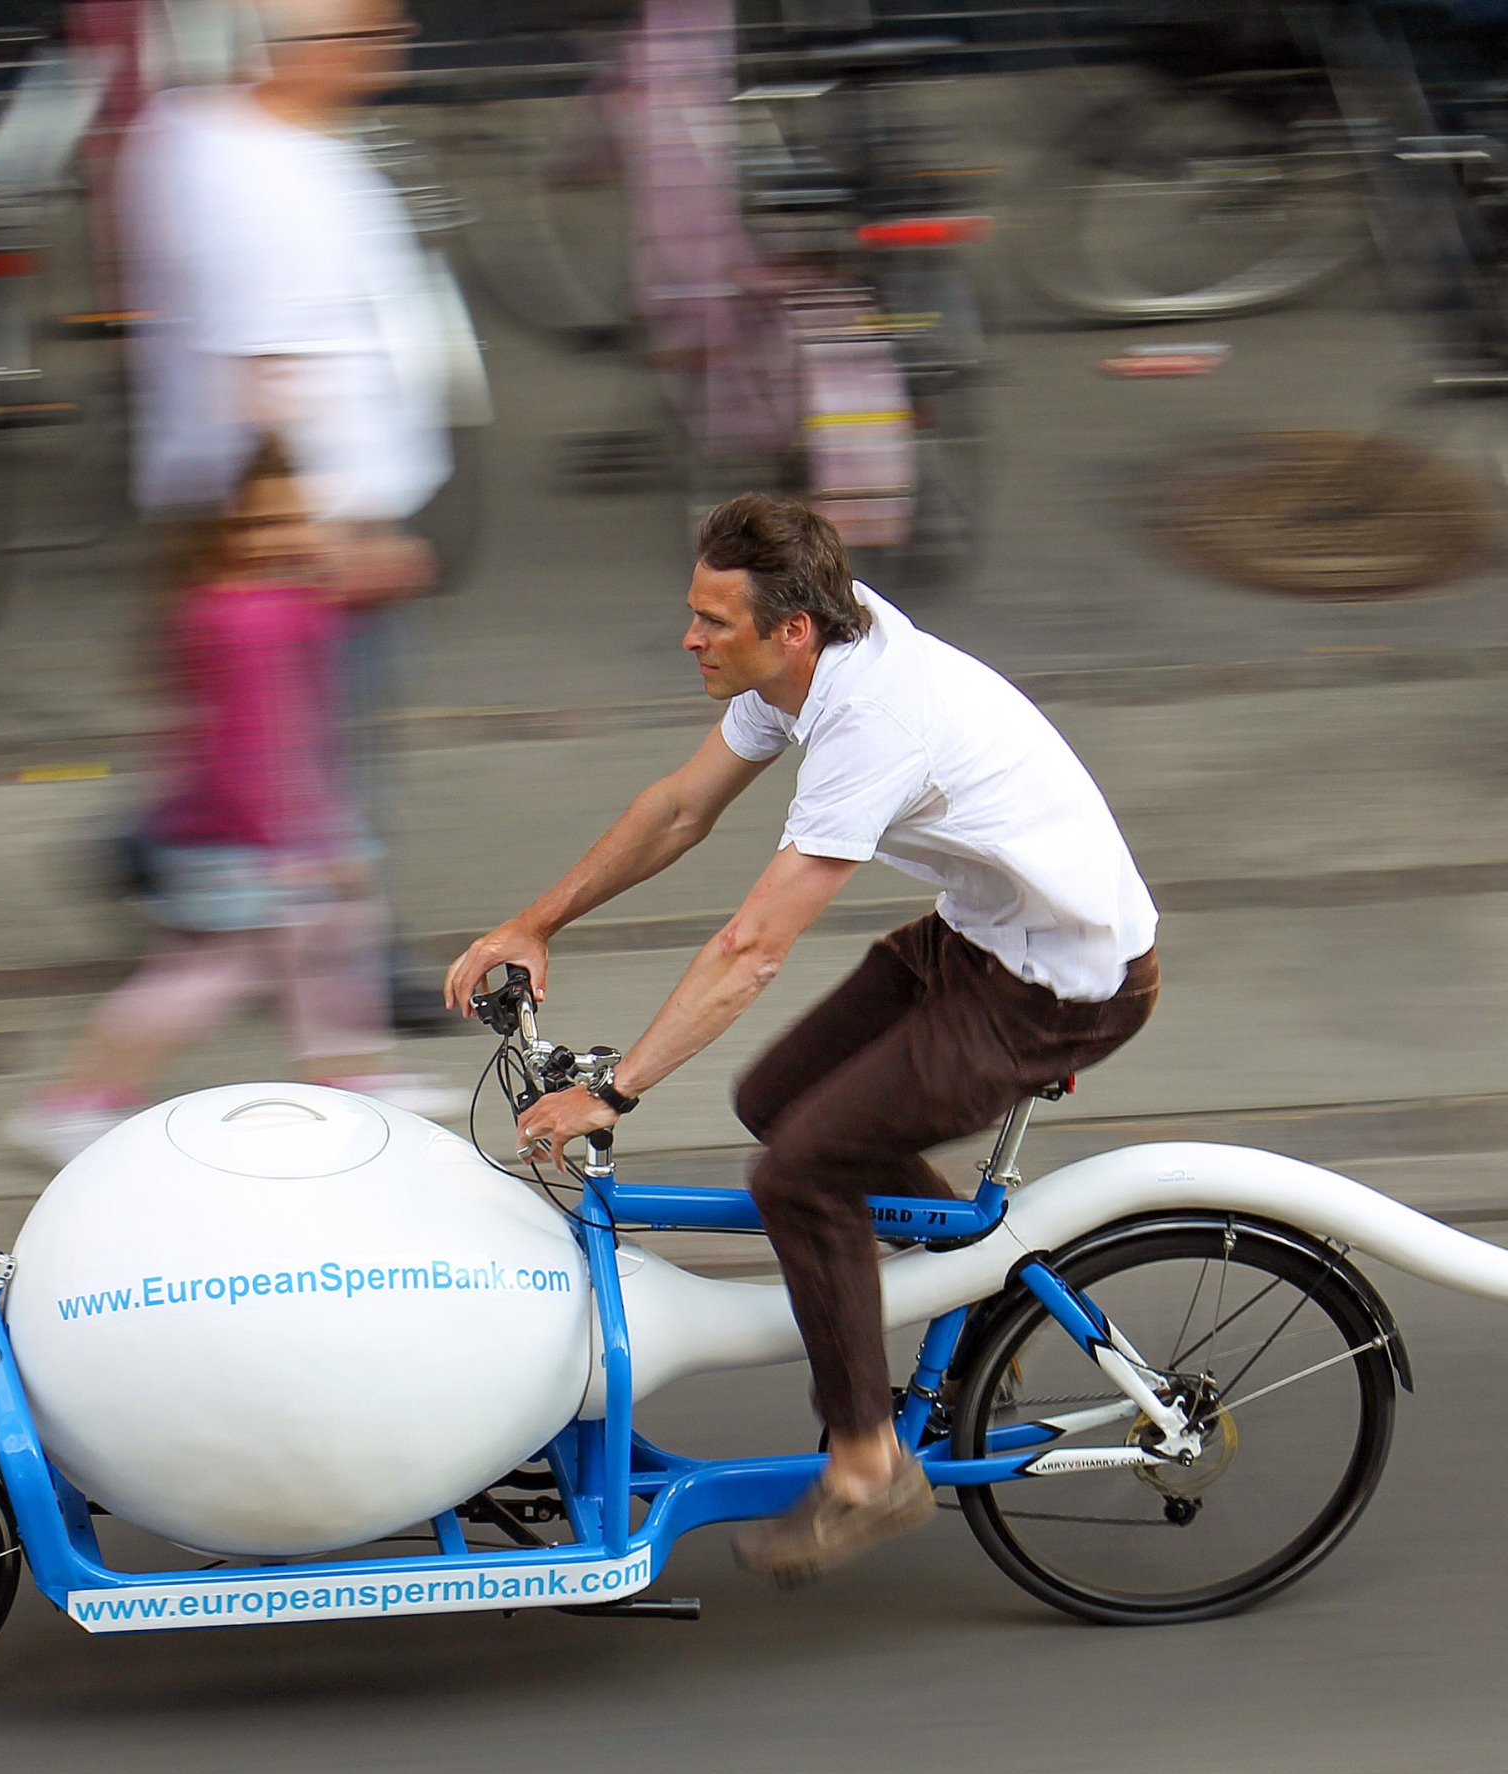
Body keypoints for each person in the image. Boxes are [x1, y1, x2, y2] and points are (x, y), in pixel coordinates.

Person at [443, 497, 1161, 1586]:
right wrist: (535, 921)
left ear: (791, 628)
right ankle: (970, 1307)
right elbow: (681, 808)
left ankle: (873, 1466)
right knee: (777, 1099)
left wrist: (618, 1091)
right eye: (693, 612)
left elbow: (752, 947)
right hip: (977, 940)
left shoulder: (873, 721)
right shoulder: (804, 657)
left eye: (711, 622)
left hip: (1061, 985)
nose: (689, 638)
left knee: (798, 1172)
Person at [117, 0, 448, 1016]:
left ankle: (158, 849)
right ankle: (342, 963)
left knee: (278, 734)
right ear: (301, 51)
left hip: (283, 503)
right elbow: (267, 364)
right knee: (322, 750)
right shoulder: (261, 174)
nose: (395, 47)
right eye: (371, 31)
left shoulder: (234, 141)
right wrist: (325, 532)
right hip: (302, 512)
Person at [6, 439, 451, 1167]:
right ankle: (69, 1106)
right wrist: (300, 848)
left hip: (268, 828)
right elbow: (252, 750)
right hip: (250, 837)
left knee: (330, 949)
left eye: (296, 520)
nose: (287, 537)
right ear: (220, 537)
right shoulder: (245, 619)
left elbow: (345, 599)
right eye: (262, 526)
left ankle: (356, 1076)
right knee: (207, 976)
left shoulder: (260, 603)